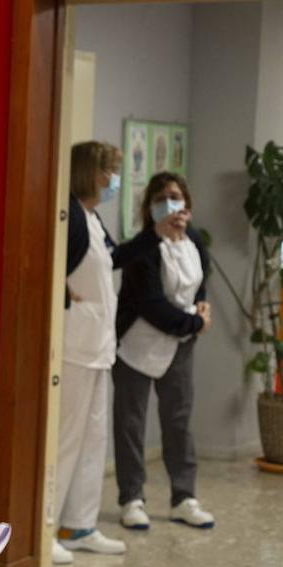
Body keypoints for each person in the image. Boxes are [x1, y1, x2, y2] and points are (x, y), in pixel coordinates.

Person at [112, 172, 215, 530]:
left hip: (180, 346)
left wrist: (201, 307)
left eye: (176, 196)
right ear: (150, 208)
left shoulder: (196, 240)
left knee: (178, 423)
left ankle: (184, 497)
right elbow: (152, 305)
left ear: (187, 202)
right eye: (162, 199)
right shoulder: (143, 248)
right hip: (138, 344)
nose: (171, 204)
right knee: (130, 424)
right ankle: (132, 499)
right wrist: (196, 324)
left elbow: (202, 279)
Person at [51, 142, 132, 564]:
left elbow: (113, 259)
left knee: (93, 439)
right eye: (109, 172)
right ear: (90, 173)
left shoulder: (92, 217)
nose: (112, 180)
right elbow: (53, 270)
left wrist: (154, 238)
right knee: (65, 439)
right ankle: (47, 528)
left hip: (98, 345)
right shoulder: (69, 216)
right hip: (76, 346)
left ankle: (79, 523)